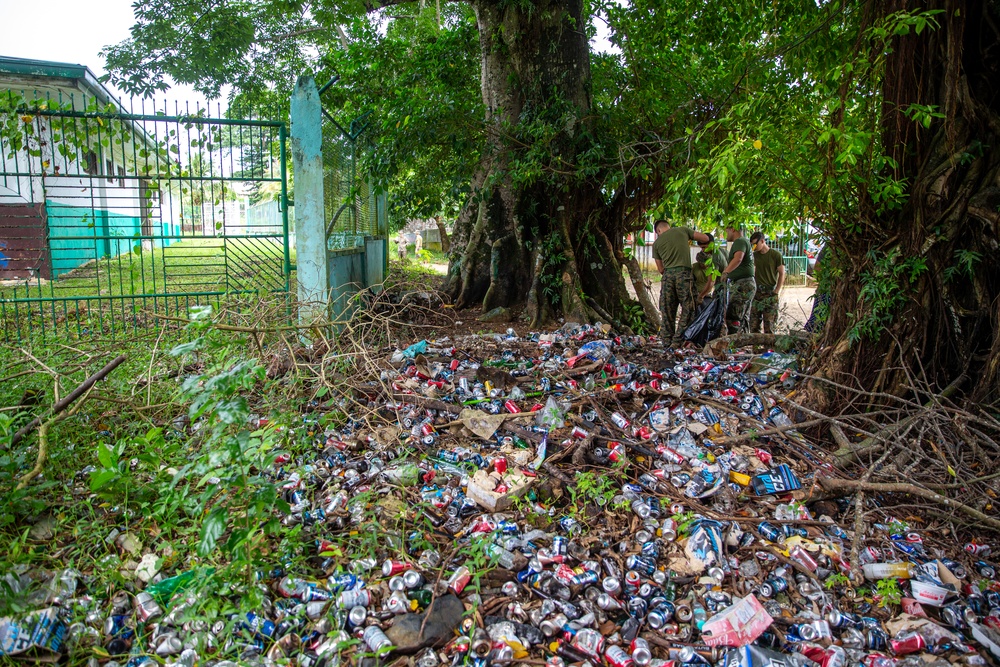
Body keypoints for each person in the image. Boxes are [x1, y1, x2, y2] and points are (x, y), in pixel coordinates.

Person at [651, 219, 713, 347]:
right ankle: (678, 341)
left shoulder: (656, 244)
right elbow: (705, 238)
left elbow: (661, 269)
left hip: (667, 277)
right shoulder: (683, 230)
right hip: (684, 275)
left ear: (658, 231)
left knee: (667, 311)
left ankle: (666, 342)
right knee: (688, 309)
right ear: (669, 226)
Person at [719, 224, 756, 333]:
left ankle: (735, 342)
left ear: (733, 229)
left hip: (743, 284)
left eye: (726, 231)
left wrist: (726, 271)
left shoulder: (740, 241)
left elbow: (738, 258)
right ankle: (741, 341)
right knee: (742, 316)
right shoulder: (744, 241)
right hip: (745, 283)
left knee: (734, 316)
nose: (725, 235)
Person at [748, 232, 785, 334]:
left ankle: (769, 349)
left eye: (756, 244)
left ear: (762, 241)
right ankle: (755, 349)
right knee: (754, 324)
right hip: (756, 293)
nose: (754, 247)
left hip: (770, 292)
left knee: (769, 325)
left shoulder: (775, 255)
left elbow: (782, 273)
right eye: (752, 245)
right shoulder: (753, 256)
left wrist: (777, 291)